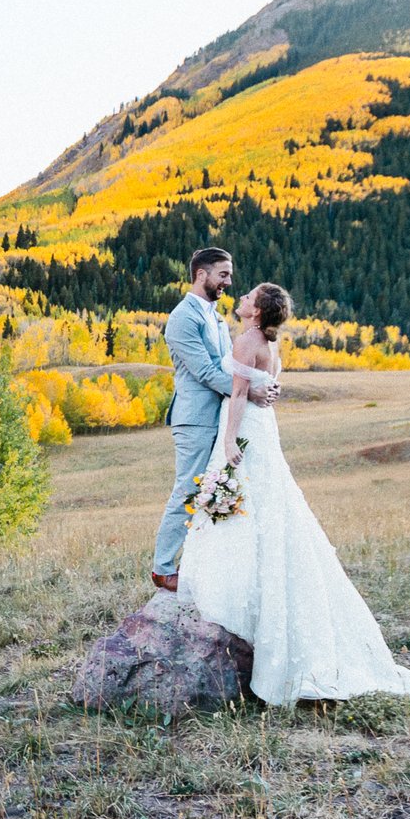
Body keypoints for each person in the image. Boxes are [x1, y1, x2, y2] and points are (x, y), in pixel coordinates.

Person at [177, 281, 410, 705]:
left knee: (243, 501)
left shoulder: (245, 341)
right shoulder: (271, 344)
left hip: (244, 428)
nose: (241, 299)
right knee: (265, 505)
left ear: (256, 313)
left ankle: (236, 603)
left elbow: (239, 394)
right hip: (266, 429)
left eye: (249, 298)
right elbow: (267, 386)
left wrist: (229, 441)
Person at [152, 247, 273, 592]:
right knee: (188, 487)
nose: (228, 282)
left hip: (217, 415)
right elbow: (204, 371)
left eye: (230, 275)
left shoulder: (216, 316)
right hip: (194, 417)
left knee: (210, 491)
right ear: (201, 274)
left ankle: (197, 562)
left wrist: (263, 384)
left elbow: (232, 366)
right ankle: (162, 567)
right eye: (222, 274)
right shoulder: (182, 318)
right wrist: (248, 391)